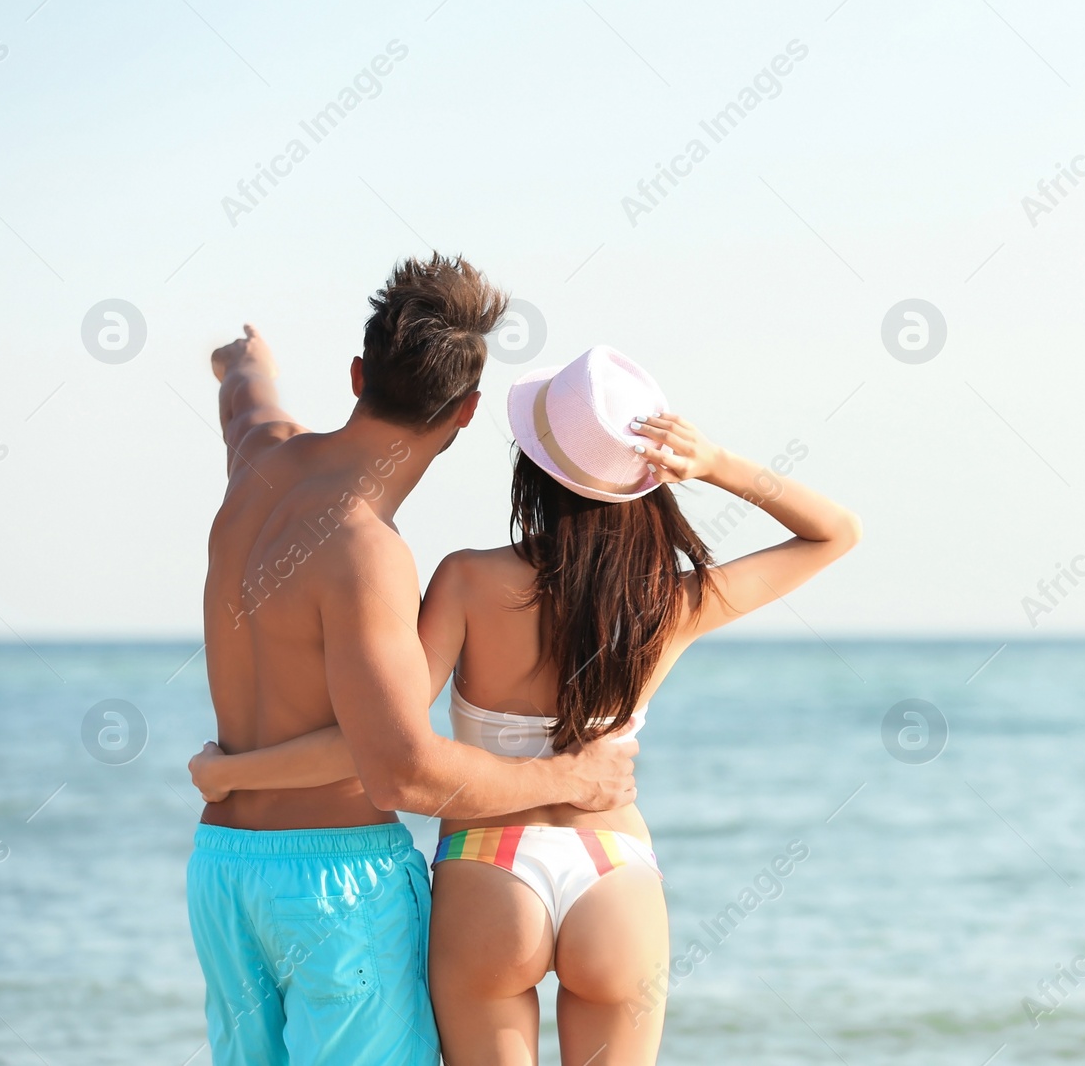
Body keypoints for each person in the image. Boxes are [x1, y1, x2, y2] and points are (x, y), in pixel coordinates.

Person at [192, 345, 861, 1064]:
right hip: (615, 868)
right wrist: (715, 461)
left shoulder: (466, 583)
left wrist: (237, 773)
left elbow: (376, 743)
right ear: (646, 482)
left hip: (488, 871)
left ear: (532, 469)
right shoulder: (668, 603)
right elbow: (835, 532)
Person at [189, 255, 638, 1066]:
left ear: (358, 372)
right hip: (335, 891)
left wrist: (243, 356)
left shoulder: (257, 453)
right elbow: (404, 773)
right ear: (467, 411)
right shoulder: (367, 551)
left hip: (223, 872)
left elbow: (243, 391)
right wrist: (575, 779)